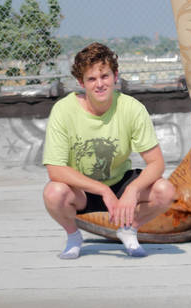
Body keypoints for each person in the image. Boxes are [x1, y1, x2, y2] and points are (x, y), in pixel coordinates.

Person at [42, 42, 176, 258]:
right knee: (53, 193)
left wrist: (133, 190)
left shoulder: (132, 108)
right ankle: (73, 236)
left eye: (105, 76)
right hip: (82, 190)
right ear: (81, 83)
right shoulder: (63, 110)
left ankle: (128, 229)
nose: (100, 84)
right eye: (91, 79)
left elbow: (157, 163)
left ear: (115, 76)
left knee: (165, 191)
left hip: (120, 182)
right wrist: (103, 190)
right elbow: (55, 169)